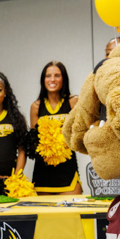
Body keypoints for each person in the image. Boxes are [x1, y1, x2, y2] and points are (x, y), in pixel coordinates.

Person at [30, 61, 81, 195]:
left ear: (63, 78)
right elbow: (33, 140)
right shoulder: (36, 106)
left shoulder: (73, 101)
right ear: (43, 80)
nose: (52, 79)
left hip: (68, 169)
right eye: (48, 76)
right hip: (43, 171)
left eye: (57, 75)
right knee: (45, 216)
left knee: (72, 214)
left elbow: (80, 130)